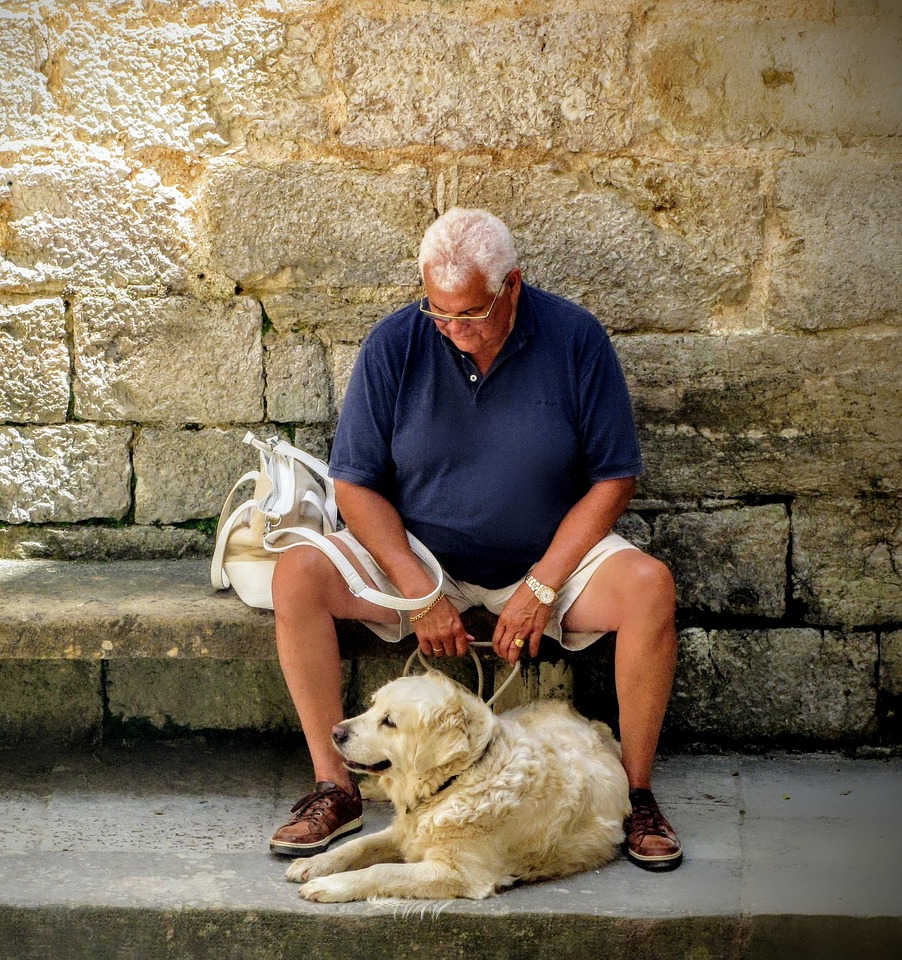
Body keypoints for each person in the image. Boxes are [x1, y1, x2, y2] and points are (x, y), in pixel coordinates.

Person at [267, 208, 682, 872]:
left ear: (511, 285)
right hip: (422, 558)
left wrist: (543, 585)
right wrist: (418, 588)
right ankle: (334, 787)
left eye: (472, 314)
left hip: (550, 558)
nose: (454, 330)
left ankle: (636, 796)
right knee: (296, 575)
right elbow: (355, 485)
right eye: (440, 312)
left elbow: (614, 477)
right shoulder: (396, 342)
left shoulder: (575, 338)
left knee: (649, 588)